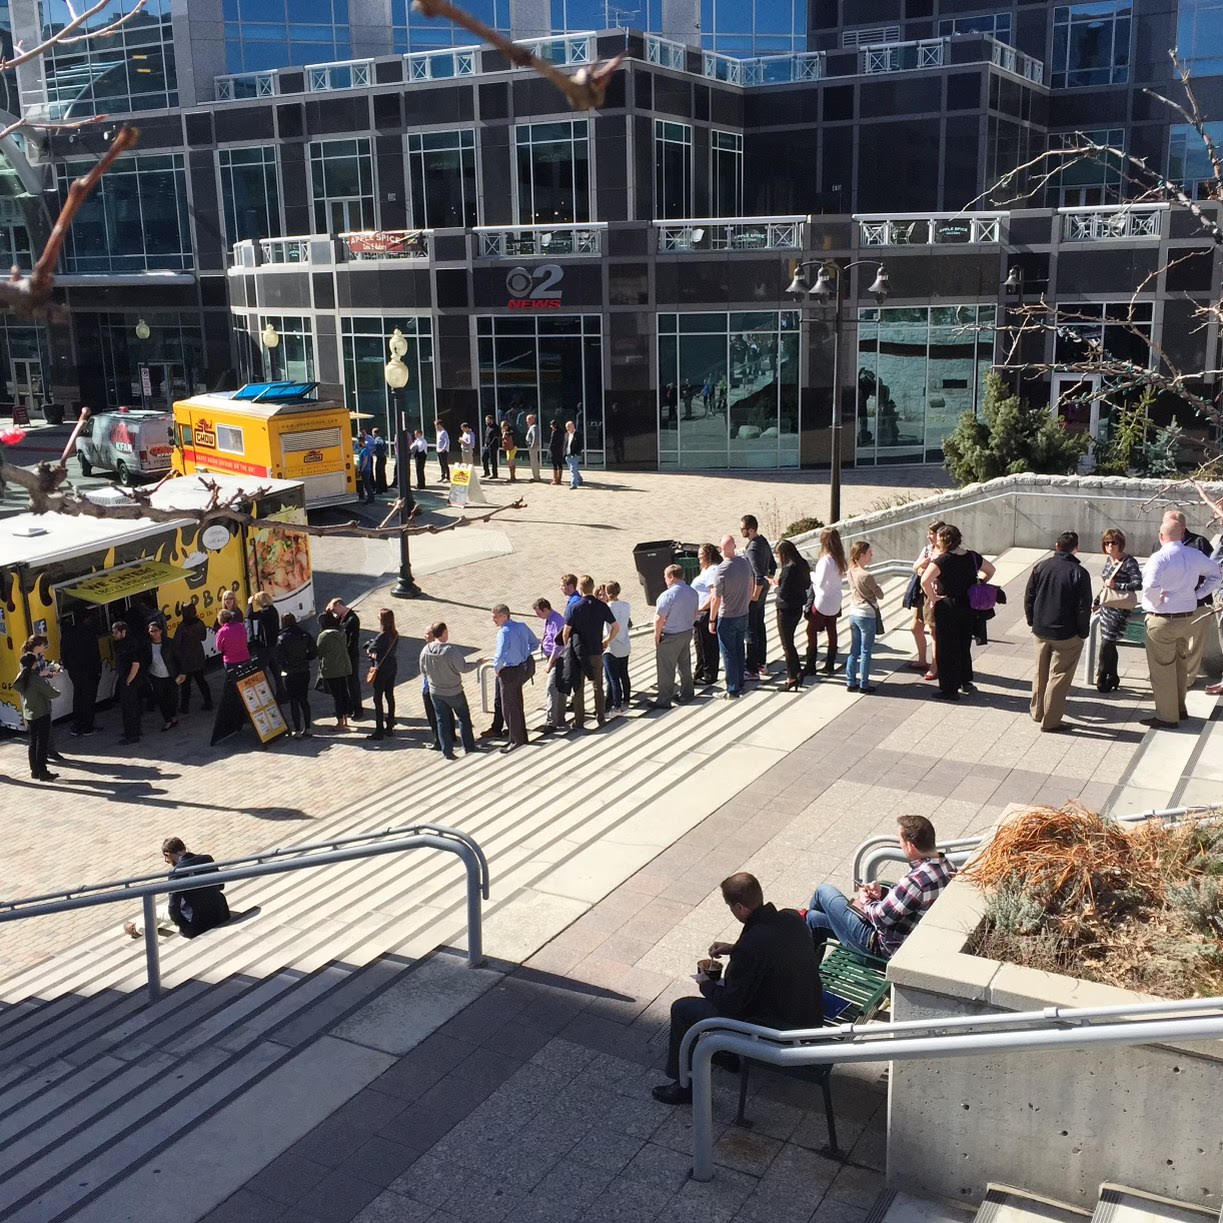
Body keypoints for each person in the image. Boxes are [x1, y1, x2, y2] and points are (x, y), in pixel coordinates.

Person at [652, 872, 822, 1106]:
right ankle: (727, 1053)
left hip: (778, 1027)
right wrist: (734, 948)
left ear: (740, 907)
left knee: (683, 1009)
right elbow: (771, 952)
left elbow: (732, 1003)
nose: (732, 912)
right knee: (727, 993)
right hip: (806, 1012)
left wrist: (706, 984)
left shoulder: (751, 945)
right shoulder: (791, 918)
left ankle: (685, 1084)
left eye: (730, 907)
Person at [803, 815, 955, 962]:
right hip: (910, 940)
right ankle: (808, 973)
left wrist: (865, 900)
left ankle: (805, 973)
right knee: (813, 918)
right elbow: (909, 902)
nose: (900, 845)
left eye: (901, 842)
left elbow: (880, 917)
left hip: (881, 949)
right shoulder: (947, 866)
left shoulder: (916, 881)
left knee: (823, 891)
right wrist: (883, 893)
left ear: (910, 845)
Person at [1140, 509, 1222, 727]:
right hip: (1186, 617)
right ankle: (1179, 708)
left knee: (1162, 670)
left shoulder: (1160, 557)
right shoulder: (1193, 554)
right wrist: (1197, 594)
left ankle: (1167, 716)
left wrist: (1158, 600)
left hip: (1162, 619)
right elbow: (1216, 573)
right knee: (1179, 665)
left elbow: (1148, 587)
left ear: (1161, 536)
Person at [1023, 531, 1093, 732]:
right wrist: (1083, 632)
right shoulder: (1079, 573)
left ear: (1056, 545)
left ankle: (1037, 711)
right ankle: (1051, 720)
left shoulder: (1041, 567)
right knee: (1059, 676)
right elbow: (1083, 607)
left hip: (1040, 629)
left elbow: (1029, 596)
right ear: (1076, 548)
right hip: (1066, 633)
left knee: (1040, 672)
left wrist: (1032, 621)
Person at [920, 524, 996, 701]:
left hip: (948, 606)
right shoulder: (972, 556)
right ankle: (965, 680)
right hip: (969, 605)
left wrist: (933, 598)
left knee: (946, 648)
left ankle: (949, 689)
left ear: (944, 541)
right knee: (963, 644)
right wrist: (980, 582)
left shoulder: (943, 560)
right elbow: (991, 570)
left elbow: (925, 580)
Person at [418, 621, 483, 759]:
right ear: (444, 633)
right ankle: (469, 747)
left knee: (441, 720)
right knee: (463, 718)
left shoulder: (426, 650)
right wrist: (478, 663)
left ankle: (447, 751)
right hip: (454, 691)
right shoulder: (450, 650)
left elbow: (423, 670)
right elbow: (463, 668)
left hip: (435, 692)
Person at [563, 575, 617, 728]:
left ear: (579, 588)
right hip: (596, 651)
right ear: (593, 588)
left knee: (578, 687)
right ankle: (600, 716)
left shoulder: (574, 607)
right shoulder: (601, 606)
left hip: (579, 652)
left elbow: (566, 632)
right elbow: (616, 627)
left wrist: (567, 647)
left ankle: (579, 721)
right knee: (598, 686)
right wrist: (607, 640)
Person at [1094, 529, 1142, 693]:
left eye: (1113, 542)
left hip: (1120, 608)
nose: (1109, 546)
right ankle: (1111, 675)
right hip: (1107, 606)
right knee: (1108, 642)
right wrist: (1097, 601)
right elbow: (1106, 585)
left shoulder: (1129, 562)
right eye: (1106, 543)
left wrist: (1118, 586)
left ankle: (1102, 674)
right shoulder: (1109, 560)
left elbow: (1138, 584)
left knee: (1107, 641)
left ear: (1120, 543)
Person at [708, 534, 753, 699]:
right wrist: (746, 603)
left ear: (721, 550)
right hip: (743, 612)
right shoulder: (744, 562)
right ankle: (739, 681)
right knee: (739, 648)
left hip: (727, 616)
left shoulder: (722, 569)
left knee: (728, 652)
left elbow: (716, 597)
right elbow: (751, 585)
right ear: (734, 546)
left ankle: (732, 688)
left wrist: (712, 619)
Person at [491, 603, 539, 753]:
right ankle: (520, 737)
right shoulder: (522, 626)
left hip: (509, 671)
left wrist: (497, 669)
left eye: (496, 617)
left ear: (505, 615)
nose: (494, 620)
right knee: (517, 704)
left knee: (509, 708)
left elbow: (499, 655)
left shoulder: (504, 632)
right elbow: (535, 643)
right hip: (522, 668)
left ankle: (516, 740)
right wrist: (523, 653)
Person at [162, 837, 230, 939]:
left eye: (166, 858)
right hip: (220, 915)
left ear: (168, 854)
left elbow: (173, 908)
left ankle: (134, 927)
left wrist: (181, 925)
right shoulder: (207, 859)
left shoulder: (175, 873)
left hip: (196, 925)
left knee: (157, 912)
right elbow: (221, 886)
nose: (166, 861)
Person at [652, 564, 698, 709]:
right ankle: (687, 692)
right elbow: (694, 612)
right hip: (686, 631)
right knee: (684, 664)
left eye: (665, 577)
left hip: (671, 635)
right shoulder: (692, 592)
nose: (665, 580)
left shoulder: (668, 595)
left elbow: (659, 618)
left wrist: (657, 636)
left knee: (666, 668)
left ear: (671, 577)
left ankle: (664, 699)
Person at [805, 528, 847, 677]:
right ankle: (830, 662)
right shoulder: (839, 559)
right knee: (832, 630)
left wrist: (811, 575)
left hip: (823, 599)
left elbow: (820, 582)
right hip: (836, 599)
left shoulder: (825, 560)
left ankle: (811, 664)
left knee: (811, 630)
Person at [905, 520, 944, 679]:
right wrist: (922, 565)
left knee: (934, 632)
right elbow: (916, 567)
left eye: (932, 533)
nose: (929, 536)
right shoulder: (928, 550)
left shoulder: (944, 552)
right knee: (915, 627)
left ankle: (935, 666)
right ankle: (923, 660)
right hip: (922, 593)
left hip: (934, 594)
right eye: (929, 533)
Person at [845, 540, 885, 694]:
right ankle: (864, 683)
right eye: (869, 553)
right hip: (867, 614)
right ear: (862, 555)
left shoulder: (850, 571)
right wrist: (878, 587)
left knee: (854, 650)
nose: (871, 555)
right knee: (866, 650)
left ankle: (850, 681)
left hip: (853, 612)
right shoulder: (866, 575)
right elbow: (879, 595)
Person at [770, 540, 810, 691]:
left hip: (785, 609)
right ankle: (797, 672)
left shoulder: (788, 569)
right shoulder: (802, 564)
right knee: (790, 642)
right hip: (797, 607)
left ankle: (792, 677)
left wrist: (775, 587)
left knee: (787, 644)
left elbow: (784, 592)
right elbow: (806, 584)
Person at [14, 650, 59, 780]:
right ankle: (43, 771)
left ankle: (34, 771)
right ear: (33, 664)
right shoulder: (35, 678)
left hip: (29, 713)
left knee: (33, 742)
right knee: (42, 743)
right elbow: (51, 693)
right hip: (41, 712)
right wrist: (57, 691)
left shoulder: (22, 677)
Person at [741, 514, 776, 681]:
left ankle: (752, 668)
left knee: (751, 631)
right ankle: (762, 663)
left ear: (751, 529)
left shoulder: (753, 548)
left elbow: (759, 575)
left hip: (755, 595)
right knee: (760, 628)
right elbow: (773, 566)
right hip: (762, 593)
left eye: (743, 529)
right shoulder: (763, 542)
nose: (741, 531)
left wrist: (754, 595)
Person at [61, 609, 103, 736]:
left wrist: (68, 666)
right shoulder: (89, 633)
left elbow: (63, 653)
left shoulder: (67, 633)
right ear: (86, 619)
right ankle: (88, 727)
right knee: (89, 699)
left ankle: (77, 725)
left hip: (74, 672)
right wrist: (98, 670)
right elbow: (95, 655)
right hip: (89, 671)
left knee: (78, 696)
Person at [276, 611, 316, 737]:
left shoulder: (282, 638)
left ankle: (297, 729)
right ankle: (308, 727)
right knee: (304, 699)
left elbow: (279, 658)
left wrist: (285, 665)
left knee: (293, 701)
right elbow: (314, 651)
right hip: (304, 670)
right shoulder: (304, 634)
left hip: (290, 673)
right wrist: (306, 659)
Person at [365, 607, 400, 741]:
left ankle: (379, 730)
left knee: (377, 698)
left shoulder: (382, 635)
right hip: (392, 666)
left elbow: (371, 648)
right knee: (389, 695)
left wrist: (371, 652)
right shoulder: (395, 633)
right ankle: (390, 724)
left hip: (381, 669)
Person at [533, 597, 569, 733]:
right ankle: (559, 718)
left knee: (552, 687)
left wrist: (550, 662)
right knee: (559, 688)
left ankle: (551, 722)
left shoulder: (557, 620)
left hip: (557, 659)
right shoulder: (550, 619)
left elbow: (558, 645)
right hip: (554, 658)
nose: (538, 616)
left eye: (539, 613)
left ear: (545, 609)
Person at [327, 597, 364, 720]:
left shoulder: (352, 619)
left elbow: (352, 641)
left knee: (353, 683)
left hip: (351, 656)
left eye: (334, 610)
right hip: (343, 656)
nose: (334, 613)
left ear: (339, 605)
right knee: (344, 683)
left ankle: (358, 710)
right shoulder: (341, 618)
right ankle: (347, 708)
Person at [691, 542, 722, 687]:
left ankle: (708, 675)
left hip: (705, 612)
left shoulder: (713, 570)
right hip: (700, 611)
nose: (699, 559)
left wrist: (702, 608)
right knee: (700, 644)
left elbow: (714, 594)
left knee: (706, 645)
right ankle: (700, 673)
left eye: (701, 556)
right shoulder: (706, 569)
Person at [316, 610, 352, 730]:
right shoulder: (341, 632)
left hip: (331, 668)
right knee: (343, 692)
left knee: (337, 696)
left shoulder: (324, 636)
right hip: (344, 666)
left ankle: (340, 723)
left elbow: (319, 652)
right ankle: (346, 719)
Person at [146, 621, 184, 730]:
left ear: (161, 631)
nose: (153, 633)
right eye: (151, 631)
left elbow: (179, 659)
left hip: (171, 676)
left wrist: (182, 672)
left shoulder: (169, 643)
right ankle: (167, 720)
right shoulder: (147, 646)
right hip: (156, 676)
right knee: (161, 699)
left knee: (173, 698)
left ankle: (173, 717)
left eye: (155, 631)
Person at [174, 603, 211, 713]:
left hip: (186, 659)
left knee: (186, 685)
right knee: (201, 681)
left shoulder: (182, 627)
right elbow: (203, 637)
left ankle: (184, 707)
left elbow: (176, 643)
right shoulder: (200, 623)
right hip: (198, 656)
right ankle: (209, 702)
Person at [111, 620, 144, 744]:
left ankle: (132, 734)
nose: (113, 635)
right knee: (129, 706)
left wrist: (128, 680)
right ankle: (132, 730)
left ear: (123, 632)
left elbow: (136, 664)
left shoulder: (131, 644)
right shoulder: (119, 643)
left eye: (115, 632)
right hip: (125, 677)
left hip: (130, 679)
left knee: (129, 707)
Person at [602, 580, 632, 713]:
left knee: (613, 678)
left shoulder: (606, 608)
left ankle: (617, 705)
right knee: (624, 674)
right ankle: (626, 700)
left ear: (607, 594)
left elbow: (610, 628)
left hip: (611, 646)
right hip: (625, 643)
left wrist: (607, 640)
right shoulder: (626, 605)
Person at [419, 625, 443, 751]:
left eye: (427, 634)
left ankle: (437, 740)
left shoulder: (427, 650)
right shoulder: (443, 648)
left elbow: (422, 669)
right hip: (443, 686)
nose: (424, 636)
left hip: (430, 686)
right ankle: (450, 736)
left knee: (433, 716)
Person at [356, 432, 376, 503]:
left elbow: (365, 460)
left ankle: (370, 498)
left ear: (361, 442)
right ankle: (370, 497)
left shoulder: (364, 450)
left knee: (366, 484)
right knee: (367, 484)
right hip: (367, 469)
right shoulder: (366, 449)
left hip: (365, 470)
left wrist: (361, 469)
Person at [564, 419, 583, 488]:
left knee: (572, 469)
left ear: (572, 426)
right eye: (566, 427)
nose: (567, 428)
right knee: (573, 469)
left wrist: (577, 453)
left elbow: (580, 445)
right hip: (568, 455)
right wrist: (564, 453)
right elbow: (565, 444)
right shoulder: (566, 434)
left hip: (574, 455)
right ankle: (579, 479)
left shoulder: (578, 435)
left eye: (568, 426)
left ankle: (574, 484)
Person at [371, 427, 388, 494]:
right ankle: (384, 487)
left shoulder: (377, 440)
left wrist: (376, 450)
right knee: (382, 473)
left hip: (380, 458)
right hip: (383, 457)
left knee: (378, 473)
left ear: (375, 433)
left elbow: (379, 445)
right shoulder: (381, 439)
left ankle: (379, 489)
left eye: (373, 433)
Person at [525, 413, 542, 481]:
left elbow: (535, 437)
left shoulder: (534, 427)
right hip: (532, 447)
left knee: (534, 462)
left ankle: (536, 477)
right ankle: (536, 476)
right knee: (533, 462)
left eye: (528, 419)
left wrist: (532, 446)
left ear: (531, 420)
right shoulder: (532, 427)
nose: (527, 421)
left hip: (533, 447)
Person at [482, 414, 500, 479]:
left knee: (493, 460)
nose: (486, 422)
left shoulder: (496, 427)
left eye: (487, 420)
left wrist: (490, 445)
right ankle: (486, 472)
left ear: (491, 420)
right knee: (484, 458)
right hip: (486, 446)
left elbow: (496, 437)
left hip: (493, 446)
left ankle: (495, 474)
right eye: (486, 421)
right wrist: (485, 444)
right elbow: (486, 436)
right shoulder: (487, 427)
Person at [548, 420, 565, 485]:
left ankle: (555, 479)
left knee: (555, 465)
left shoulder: (554, 432)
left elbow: (552, 442)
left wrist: (549, 449)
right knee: (560, 464)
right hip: (560, 450)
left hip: (554, 450)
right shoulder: (562, 431)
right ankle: (559, 479)